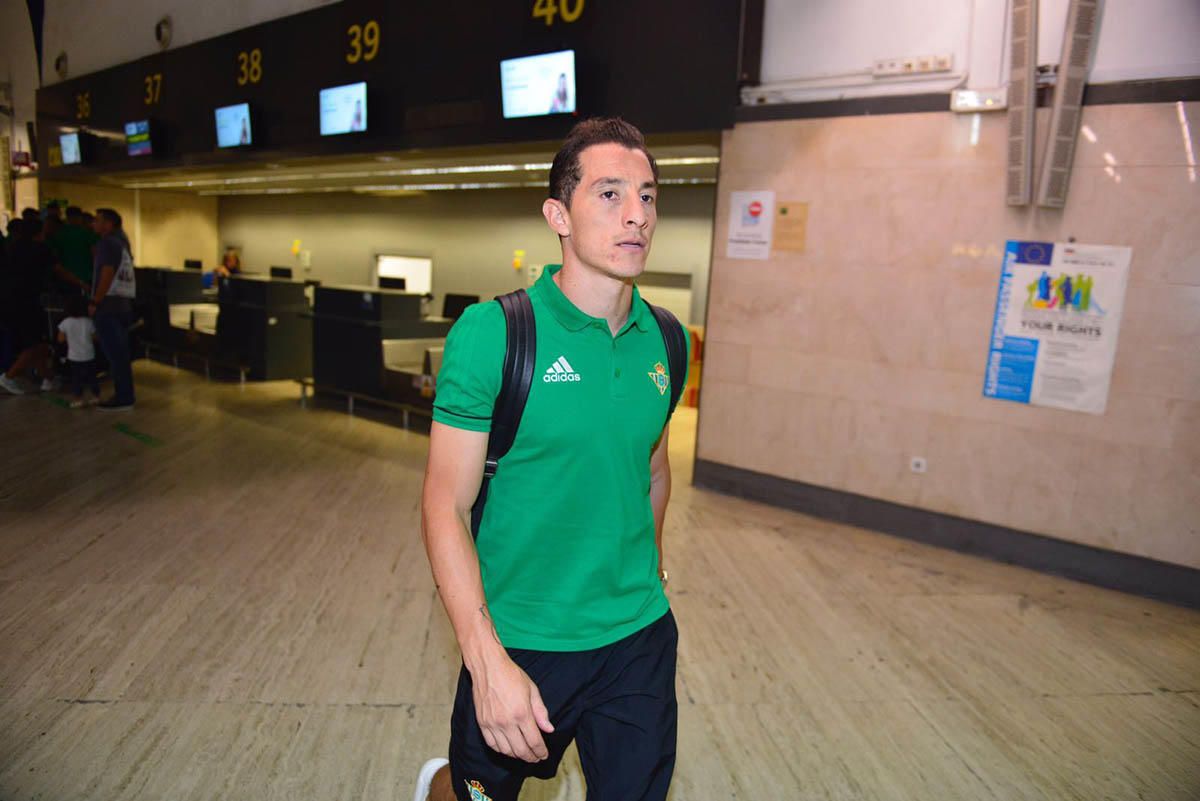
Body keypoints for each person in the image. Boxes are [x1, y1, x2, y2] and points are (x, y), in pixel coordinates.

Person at [415, 118, 686, 801]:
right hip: (521, 637)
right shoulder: (496, 334)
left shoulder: (667, 340)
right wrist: (485, 659)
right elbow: (444, 504)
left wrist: (648, 571)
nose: (636, 215)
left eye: (647, 196)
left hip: (637, 640)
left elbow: (652, 470)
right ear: (558, 215)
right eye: (610, 194)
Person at [0, 219, 58, 394]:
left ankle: (47, 377)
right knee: (35, 344)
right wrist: (81, 283)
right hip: (28, 302)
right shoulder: (40, 249)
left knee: (35, 342)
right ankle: (9, 376)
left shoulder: (12, 248)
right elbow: (57, 269)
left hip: (10, 302)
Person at [90, 208, 137, 411]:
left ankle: (124, 397)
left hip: (108, 306)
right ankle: (125, 394)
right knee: (121, 353)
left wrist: (95, 301)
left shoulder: (107, 243)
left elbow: (107, 273)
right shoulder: (122, 242)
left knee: (115, 355)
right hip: (123, 305)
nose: (93, 223)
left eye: (97, 220)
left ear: (108, 224)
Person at [57, 294, 100, 407]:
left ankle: (78, 399)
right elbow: (95, 338)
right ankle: (96, 397)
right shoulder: (89, 322)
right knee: (92, 377)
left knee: (76, 379)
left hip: (74, 357)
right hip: (89, 355)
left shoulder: (65, 322)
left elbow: (60, 339)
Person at [49, 205, 99, 293]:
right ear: (80, 217)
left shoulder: (58, 234)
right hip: (86, 275)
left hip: (65, 276)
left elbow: (54, 255)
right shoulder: (88, 234)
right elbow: (95, 255)